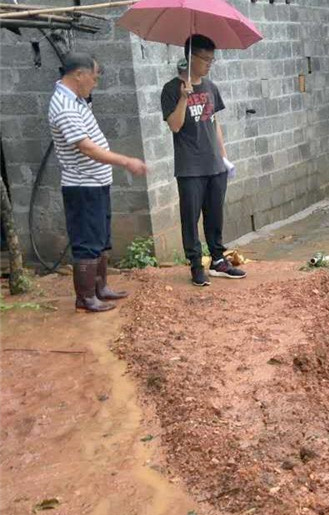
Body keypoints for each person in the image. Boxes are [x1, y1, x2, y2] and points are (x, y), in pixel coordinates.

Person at [48, 52, 148, 312]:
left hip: (95, 183)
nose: (95, 83)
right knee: (86, 241)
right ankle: (85, 298)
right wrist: (126, 161)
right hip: (82, 186)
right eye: (93, 77)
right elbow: (88, 149)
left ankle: (100, 288)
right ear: (78, 75)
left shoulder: (77, 100)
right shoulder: (64, 105)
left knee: (100, 238)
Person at [160, 34, 242, 287]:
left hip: (214, 164)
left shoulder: (210, 88)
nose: (209, 64)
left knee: (215, 215)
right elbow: (174, 126)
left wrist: (224, 157)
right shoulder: (171, 89)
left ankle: (218, 261)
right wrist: (184, 97)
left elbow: (214, 123)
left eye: (211, 59)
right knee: (190, 217)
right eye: (205, 59)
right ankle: (196, 265)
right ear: (190, 57)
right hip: (190, 167)